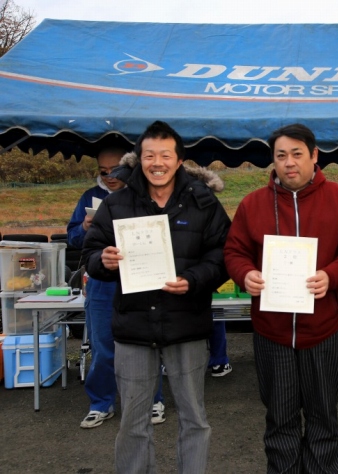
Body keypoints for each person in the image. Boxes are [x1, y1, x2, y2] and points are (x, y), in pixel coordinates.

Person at [83, 120, 231, 473]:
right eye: (150, 155)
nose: (157, 163)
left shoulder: (203, 202)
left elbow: (224, 256)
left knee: (194, 419)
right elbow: (90, 254)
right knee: (133, 423)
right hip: (134, 329)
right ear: (140, 159)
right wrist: (103, 261)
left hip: (187, 325)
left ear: (179, 161)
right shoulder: (117, 203)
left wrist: (193, 280)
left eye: (165, 155)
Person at [223, 123, 338, 473]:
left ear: (314, 155)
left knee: (323, 418)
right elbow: (234, 251)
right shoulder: (253, 204)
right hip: (272, 332)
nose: (289, 162)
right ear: (273, 160)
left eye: (297, 154)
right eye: (281, 155)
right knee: (280, 420)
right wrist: (245, 273)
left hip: (322, 329)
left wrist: (331, 276)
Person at [67, 147, 168, 429]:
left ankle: (153, 400)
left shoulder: (145, 195)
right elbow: (72, 238)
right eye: (103, 171)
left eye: (114, 170)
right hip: (101, 283)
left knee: (147, 343)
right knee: (102, 346)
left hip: (140, 279)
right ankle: (101, 403)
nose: (109, 176)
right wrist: (84, 227)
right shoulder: (89, 197)